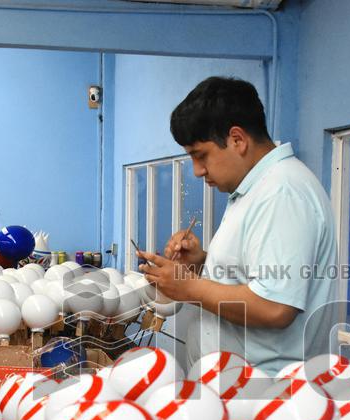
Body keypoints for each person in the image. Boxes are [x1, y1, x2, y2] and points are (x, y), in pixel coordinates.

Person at [138, 76, 338, 375]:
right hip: (233, 386)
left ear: (237, 139)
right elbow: (259, 275)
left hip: (262, 394)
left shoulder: (282, 192)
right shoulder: (254, 190)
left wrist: (188, 287)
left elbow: (274, 307)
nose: (197, 171)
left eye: (200, 155)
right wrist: (203, 262)